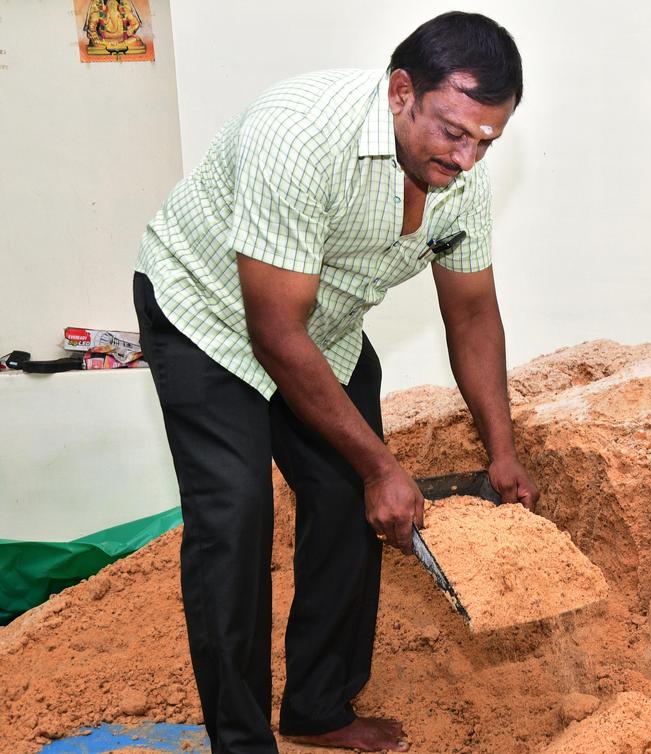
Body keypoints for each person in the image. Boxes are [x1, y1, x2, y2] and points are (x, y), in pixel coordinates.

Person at [131, 12, 538, 753]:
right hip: (209, 315)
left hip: (322, 329)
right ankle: (242, 742)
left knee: (352, 503)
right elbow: (273, 333)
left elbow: (473, 316)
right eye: (453, 131)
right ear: (400, 92)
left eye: (487, 140)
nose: (468, 156)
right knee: (237, 517)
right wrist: (381, 465)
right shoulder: (299, 136)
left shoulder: (459, 179)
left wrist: (501, 450)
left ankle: (317, 706)